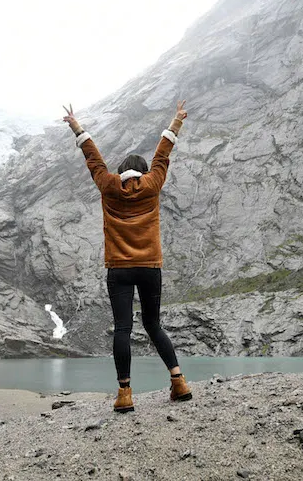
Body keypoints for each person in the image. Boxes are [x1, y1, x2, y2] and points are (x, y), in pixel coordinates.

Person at [63, 101, 192, 413]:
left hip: (119, 269)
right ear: (144, 171)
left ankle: (124, 394)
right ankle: (179, 382)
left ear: (120, 171)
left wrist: (77, 128)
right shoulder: (153, 183)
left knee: (122, 328)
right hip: (151, 266)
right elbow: (163, 154)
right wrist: (176, 122)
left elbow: (93, 159)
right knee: (153, 324)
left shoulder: (109, 186)